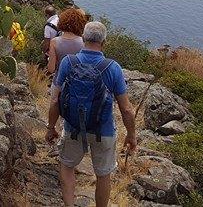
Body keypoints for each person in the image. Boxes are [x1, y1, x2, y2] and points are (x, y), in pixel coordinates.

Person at [47, 21, 137, 207]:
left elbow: (55, 100)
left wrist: (51, 127)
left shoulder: (68, 62)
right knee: (103, 174)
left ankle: (70, 204)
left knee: (67, 166)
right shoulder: (113, 68)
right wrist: (131, 135)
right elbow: (126, 109)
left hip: (72, 128)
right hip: (103, 130)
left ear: (84, 38)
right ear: (104, 41)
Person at [46, 7, 85, 75]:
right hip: (77, 79)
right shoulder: (84, 42)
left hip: (59, 80)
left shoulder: (54, 42)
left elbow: (51, 69)